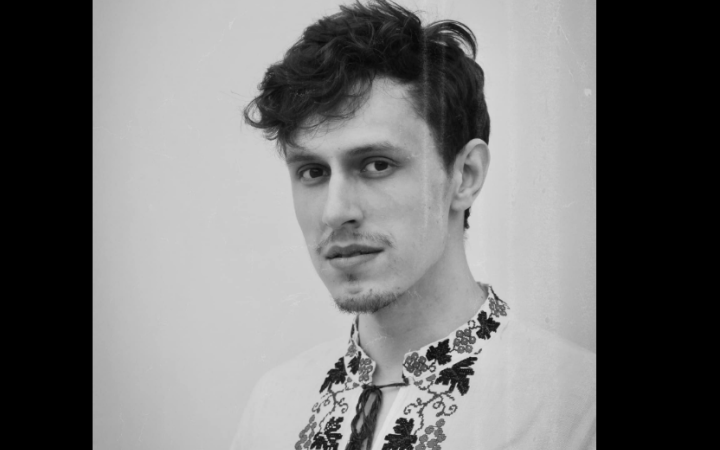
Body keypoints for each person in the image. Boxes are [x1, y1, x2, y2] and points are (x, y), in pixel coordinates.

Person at [231, 1, 596, 449]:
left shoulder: (575, 407)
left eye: (377, 164)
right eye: (313, 171)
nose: (334, 212)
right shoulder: (273, 405)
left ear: (465, 176)